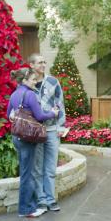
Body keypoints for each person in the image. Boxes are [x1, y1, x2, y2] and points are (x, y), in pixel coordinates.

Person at [7, 68, 60, 218]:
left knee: (25, 173)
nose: (35, 82)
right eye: (32, 80)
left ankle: (26, 207)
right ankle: (26, 209)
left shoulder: (14, 94)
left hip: (17, 137)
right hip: (28, 138)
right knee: (27, 175)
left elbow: (8, 115)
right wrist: (53, 113)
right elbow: (40, 116)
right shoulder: (29, 94)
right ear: (24, 80)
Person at [29, 53, 66, 212]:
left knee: (50, 168)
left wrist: (60, 126)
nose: (43, 65)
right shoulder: (28, 83)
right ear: (31, 65)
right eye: (39, 62)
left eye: (44, 62)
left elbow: (60, 103)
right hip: (35, 131)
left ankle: (51, 200)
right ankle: (41, 200)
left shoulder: (53, 82)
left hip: (51, 131)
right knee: (37, 168)